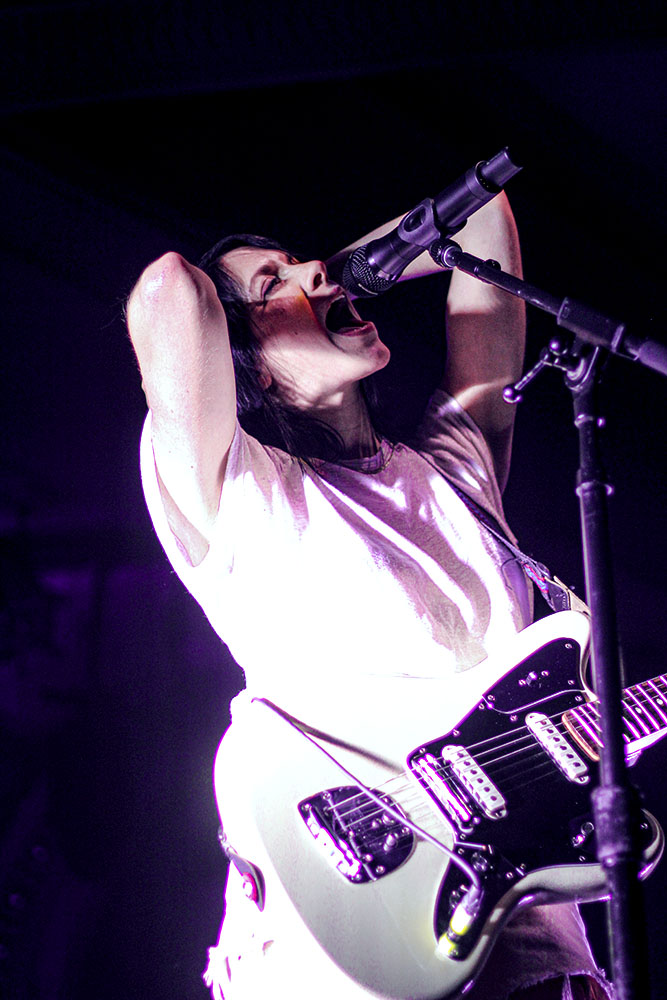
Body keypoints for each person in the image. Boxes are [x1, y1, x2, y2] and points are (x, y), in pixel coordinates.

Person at [126, 190, 613, 1000]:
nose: (313, 273)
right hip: (346, 941)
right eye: (270, 284)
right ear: (248, 363)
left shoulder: (453, 469)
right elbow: (168, 290)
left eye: (305, 265)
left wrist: (335, 277)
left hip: (531, 946)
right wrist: (322, 282)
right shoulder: (236, 490)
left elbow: (482, 219)